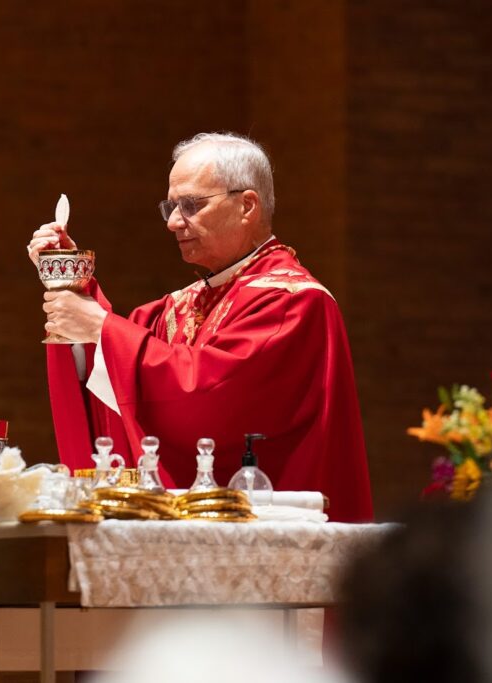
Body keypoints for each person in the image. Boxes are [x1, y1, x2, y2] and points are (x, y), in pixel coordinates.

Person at [28, 132, 372, 522]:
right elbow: (114, 360)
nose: (174, 222)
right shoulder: (184, 304)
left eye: (191, 205)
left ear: (247, 206)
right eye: (171, 206)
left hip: (267, 531)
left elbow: (211, 397)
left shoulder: (293, 301)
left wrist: (100, 327)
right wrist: (73, 286)